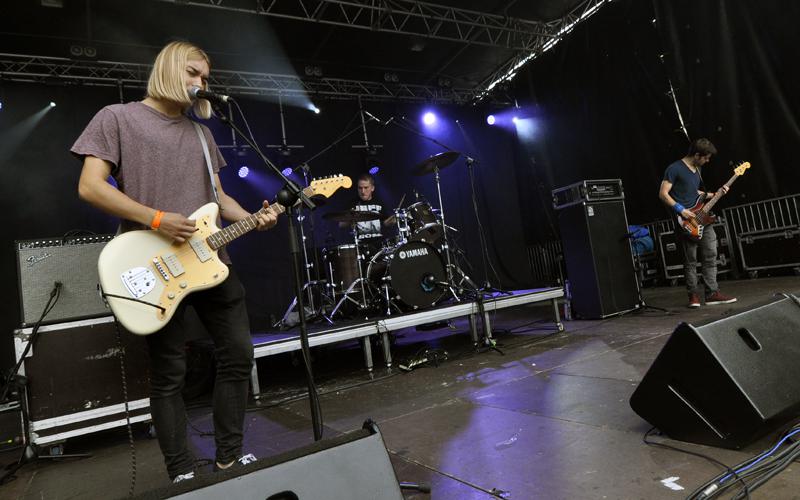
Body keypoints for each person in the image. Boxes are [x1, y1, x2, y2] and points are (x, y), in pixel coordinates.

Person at [72, 41, 278, 483]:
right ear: (168, 68)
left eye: (205, 77)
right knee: (170, 373)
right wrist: (156, 218)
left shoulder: (202, 134)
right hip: (155, 264)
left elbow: (218, 198)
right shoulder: (117, 117)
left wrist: (254, 217)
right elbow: (90, 186)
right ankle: (181, 471)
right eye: (193, 73)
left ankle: (229, 457)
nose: (201, 83)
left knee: (239, 355)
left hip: (211, 261)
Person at [659, 138, 737, 308]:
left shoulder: (697, 169)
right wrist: (681, 209)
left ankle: (711, 293)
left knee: (710, 255)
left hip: (703, 218)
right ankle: (693, 296)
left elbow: (694, 192)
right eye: (705, 158)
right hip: (687, 221)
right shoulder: (674, 168)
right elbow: (663, 193)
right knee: (691, 261)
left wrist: (715, 194)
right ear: (696, 155)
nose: (707, 161)